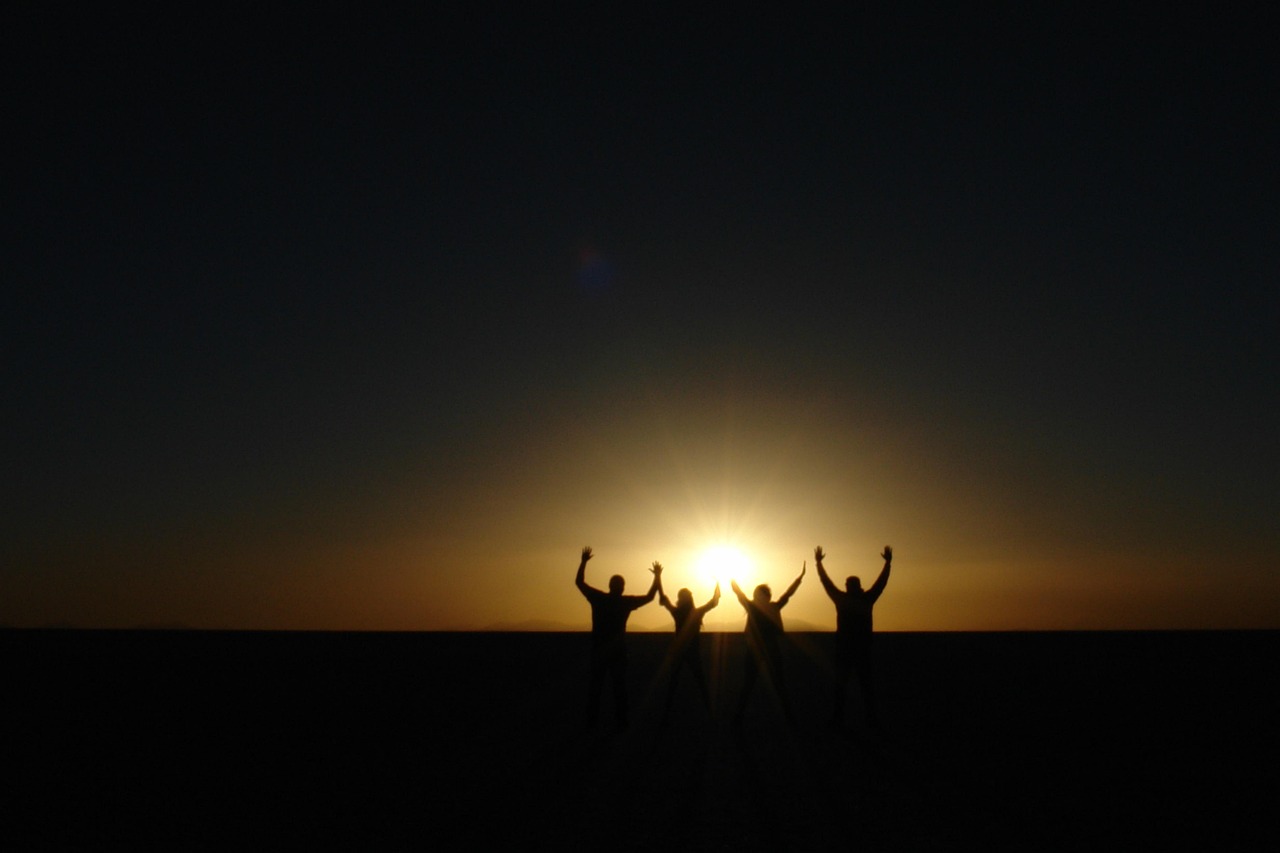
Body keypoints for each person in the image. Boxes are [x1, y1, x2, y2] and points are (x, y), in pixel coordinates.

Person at [575, 546, 661, 728]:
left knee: (597, 687)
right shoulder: (625, 602)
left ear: (610, 586)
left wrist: (583, 562)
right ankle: (620, 720)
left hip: (600, 649)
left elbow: (579, 582)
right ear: (622, 588)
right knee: (618, 687)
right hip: (617, 651)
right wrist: (657, 577)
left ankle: (592, 720)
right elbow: (650, 597)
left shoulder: (599, 599)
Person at [814, 545, 892, 728]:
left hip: (848, 649)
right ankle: (865, 718)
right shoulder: (866, 598)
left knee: (848, 685)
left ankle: (844, 719)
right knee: (861, 685)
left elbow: (826, 583)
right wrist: (888, 564)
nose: (848, 587)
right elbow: (881, 583)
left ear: (850, 586)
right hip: (858, 648)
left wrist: (818, 564)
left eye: (849, 585)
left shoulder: (845, 599)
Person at [731, 563, 804, 724]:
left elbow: (788, 594)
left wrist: (799, 579)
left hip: (761, 648)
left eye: (759, 594)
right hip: (762, 648)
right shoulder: (768, 607)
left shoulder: (758, 607)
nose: (759, 597)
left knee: (764, 683)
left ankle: (738, 717)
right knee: (766, 683)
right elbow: (738, 592)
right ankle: (787, 716)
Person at [656, 574, 720, 720]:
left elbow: (663, 598)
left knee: (675, 682)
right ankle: (710, 711)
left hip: (680, 652)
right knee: (699, 682)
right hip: (691, 652)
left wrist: (658, 577)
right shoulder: (695, 613)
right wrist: (718, 582)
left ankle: (666, 713)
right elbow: (715, 601)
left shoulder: (678, 613)